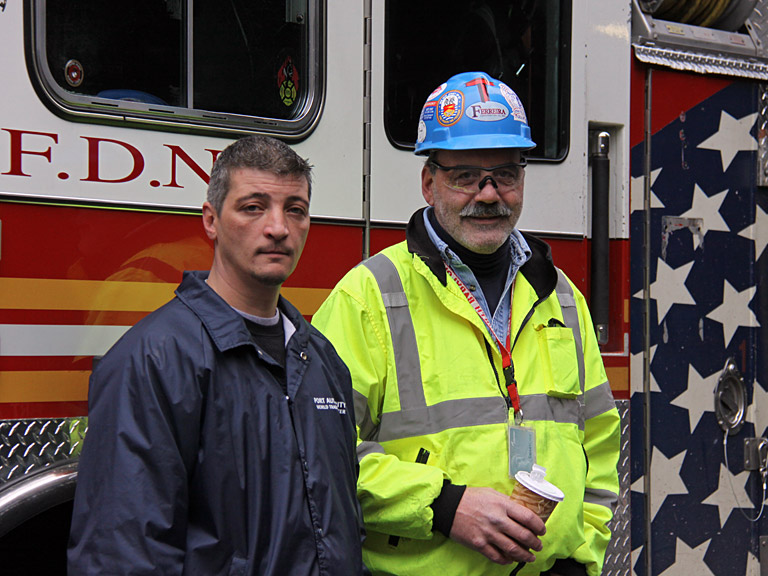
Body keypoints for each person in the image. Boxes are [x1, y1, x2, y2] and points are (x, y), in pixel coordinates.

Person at [311, 71, 621, 576]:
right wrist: (443, 505)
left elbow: (602, 446)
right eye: (465, 176)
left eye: (506, 173)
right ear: (428, 182)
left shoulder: (561, 296)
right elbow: (318, 450)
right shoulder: (369, 295)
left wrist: (581, 555)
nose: (489, 193)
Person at [68, 135, 366, 575]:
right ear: (211, 220)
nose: (278, 227)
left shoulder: (320, 359)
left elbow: (341, 529)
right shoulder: (153, 360)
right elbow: (121, 554)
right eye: (253, 207)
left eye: (295, 210)